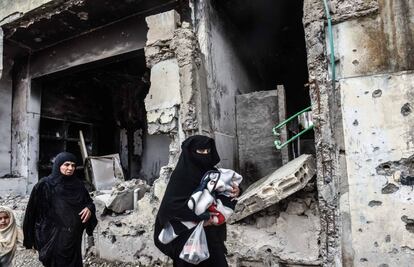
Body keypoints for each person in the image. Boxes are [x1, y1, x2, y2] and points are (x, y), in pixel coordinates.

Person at [154, 135, 240, 267]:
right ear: (190, 153)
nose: (205, 155)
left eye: (208, 151)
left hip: (211, 235)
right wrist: (202, 217)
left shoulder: (211, 172)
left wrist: (237, 190)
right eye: (201, 151)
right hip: (187, 237)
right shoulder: (181, 176)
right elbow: (171, 208)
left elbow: (223, 188)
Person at [23, 152, 97, 267]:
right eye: (66, 165)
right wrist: (29, 239)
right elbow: (31, 212)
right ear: (58, 165)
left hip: (73, 237)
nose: (70, 168)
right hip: (51, 237)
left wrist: (89, 208)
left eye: (73, 165)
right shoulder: (45, 185)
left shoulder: (78, 185)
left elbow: (88, 202)